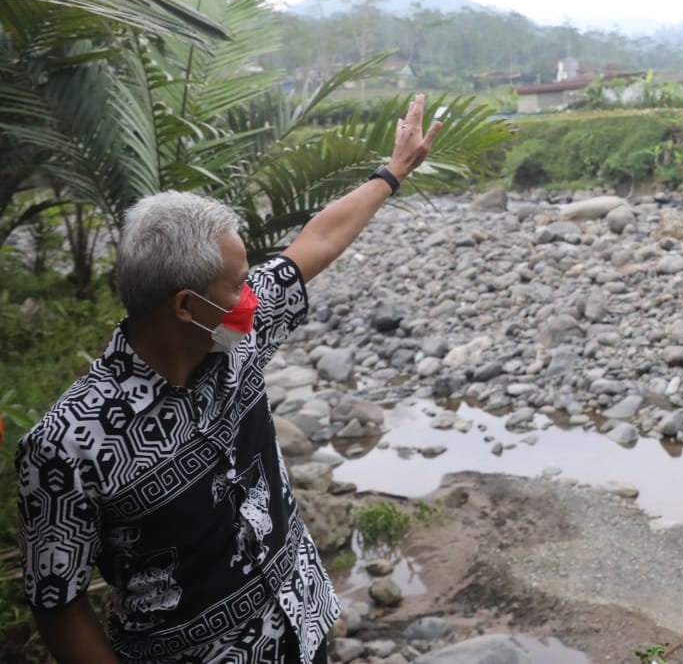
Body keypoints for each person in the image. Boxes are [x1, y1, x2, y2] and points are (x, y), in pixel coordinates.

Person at [15, 94, 443, 663]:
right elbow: (59, 602)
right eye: (239, 283)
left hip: (301, 624)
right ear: (186, 307)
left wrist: (391, 173)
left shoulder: (236, 335)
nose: (254, 295)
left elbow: (313, 244)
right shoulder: (65, 446)